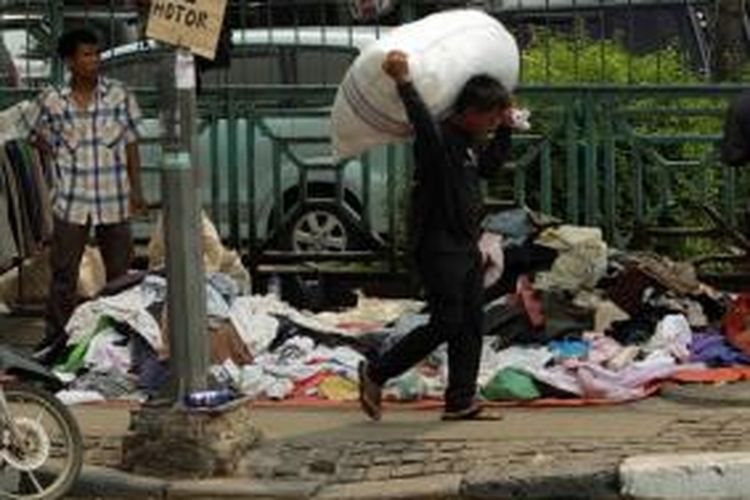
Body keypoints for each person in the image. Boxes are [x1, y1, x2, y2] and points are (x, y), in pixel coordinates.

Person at [358, 50, 514, 421]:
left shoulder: (469, 143)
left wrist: (507, 129)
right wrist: (404, 82)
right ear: (472, 112)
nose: (492, 124)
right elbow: (422, 123)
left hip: (465, 244)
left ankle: (461, 400)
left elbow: (489, 169)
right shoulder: (440, 140)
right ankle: (377, 372)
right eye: (491, 117)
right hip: (438, 245)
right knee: (447, 321)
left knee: (471, 323)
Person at [24, 28, 145, 364]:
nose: (94, 61)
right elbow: (32, 133)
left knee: (120, 276)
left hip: (114, 199)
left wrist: (137, 191)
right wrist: (55, 151)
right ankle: (56, 343)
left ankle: (124, 341)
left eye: (96, 54)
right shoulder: (52, 100)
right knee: (64, 275)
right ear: (70, 61)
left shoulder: (119, 95)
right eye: (86, 55)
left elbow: (132, 143)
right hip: (72, 200)